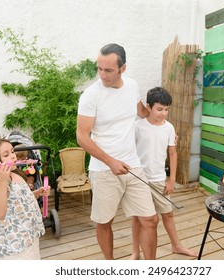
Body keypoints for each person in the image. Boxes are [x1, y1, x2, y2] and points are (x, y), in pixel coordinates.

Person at [76, 43, 159, 260]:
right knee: (105, 222)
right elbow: (82, 137)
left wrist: (163, 125)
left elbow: (140, 112)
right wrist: (110, 161)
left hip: (133, 165)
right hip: (104, 169)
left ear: (123, 68)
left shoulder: (132, 86)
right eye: (99, 69)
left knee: (150, 220)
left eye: (109, 70)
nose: (102, 75)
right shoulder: (90, 96)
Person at [131, 87, 198, 259]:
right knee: (139, 218)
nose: (163, 113)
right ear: (149, 106)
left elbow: (173, 153)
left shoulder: (169, 128)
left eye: (166, 109)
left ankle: (176, 245)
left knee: (168, 213)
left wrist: (171, 180)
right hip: (140, 180)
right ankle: (135, 252)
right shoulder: (138, 127)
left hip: (160, 178)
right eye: (159, 109)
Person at [0, 138, 50, 260]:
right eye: (6, 155)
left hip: (28, 233)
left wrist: (38, 192)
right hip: (13, 241)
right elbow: (0, 214)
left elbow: (22, 200)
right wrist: (3, 182)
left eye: (12, 151)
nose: (13, 156)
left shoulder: (16, 174)